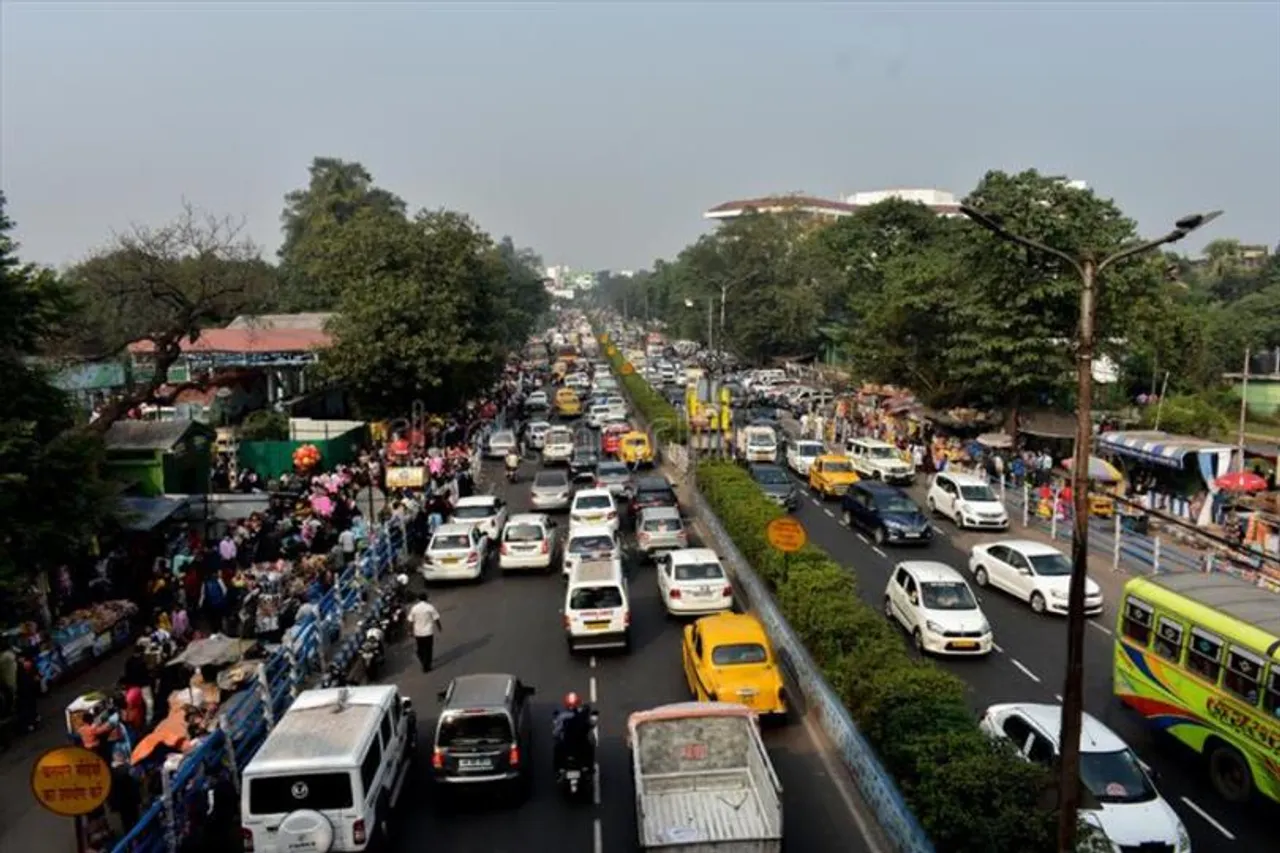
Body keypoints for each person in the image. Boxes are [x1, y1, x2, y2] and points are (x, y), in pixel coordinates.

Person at [551, 691, 595, 773]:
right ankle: (589, 767)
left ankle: (558, 768)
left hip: (567, 746)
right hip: (581, 746)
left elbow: (556, 732)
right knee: (590, 746)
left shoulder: (562, 717)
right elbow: (589, 725)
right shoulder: (582, 716)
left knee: (557, 748)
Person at [407, 592, 441, 672]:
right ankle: (427, 665)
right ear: (426, 598)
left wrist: (409, 631)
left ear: (418, 599)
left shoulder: (414, 608)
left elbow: (410, 621)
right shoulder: (430, 607)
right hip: (428, 632)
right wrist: (439, 627)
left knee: (420, 649)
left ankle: (424, 662)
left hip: (418, 633)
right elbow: (436, 618)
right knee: (428, 649)